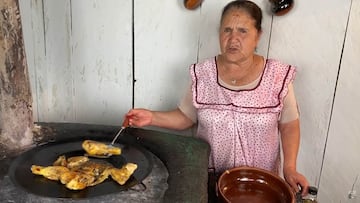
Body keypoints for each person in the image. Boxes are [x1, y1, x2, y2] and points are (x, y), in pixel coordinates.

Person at [125, 0, 309, 196]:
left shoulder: (277, 76)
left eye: (243, 31)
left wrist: (290, 167)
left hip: (259, 187)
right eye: (227, 30)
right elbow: (186, 117)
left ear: (258, 35)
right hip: (212, 183)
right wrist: (151, 117)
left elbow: (289, 125)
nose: (233, 39)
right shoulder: (203, 73)